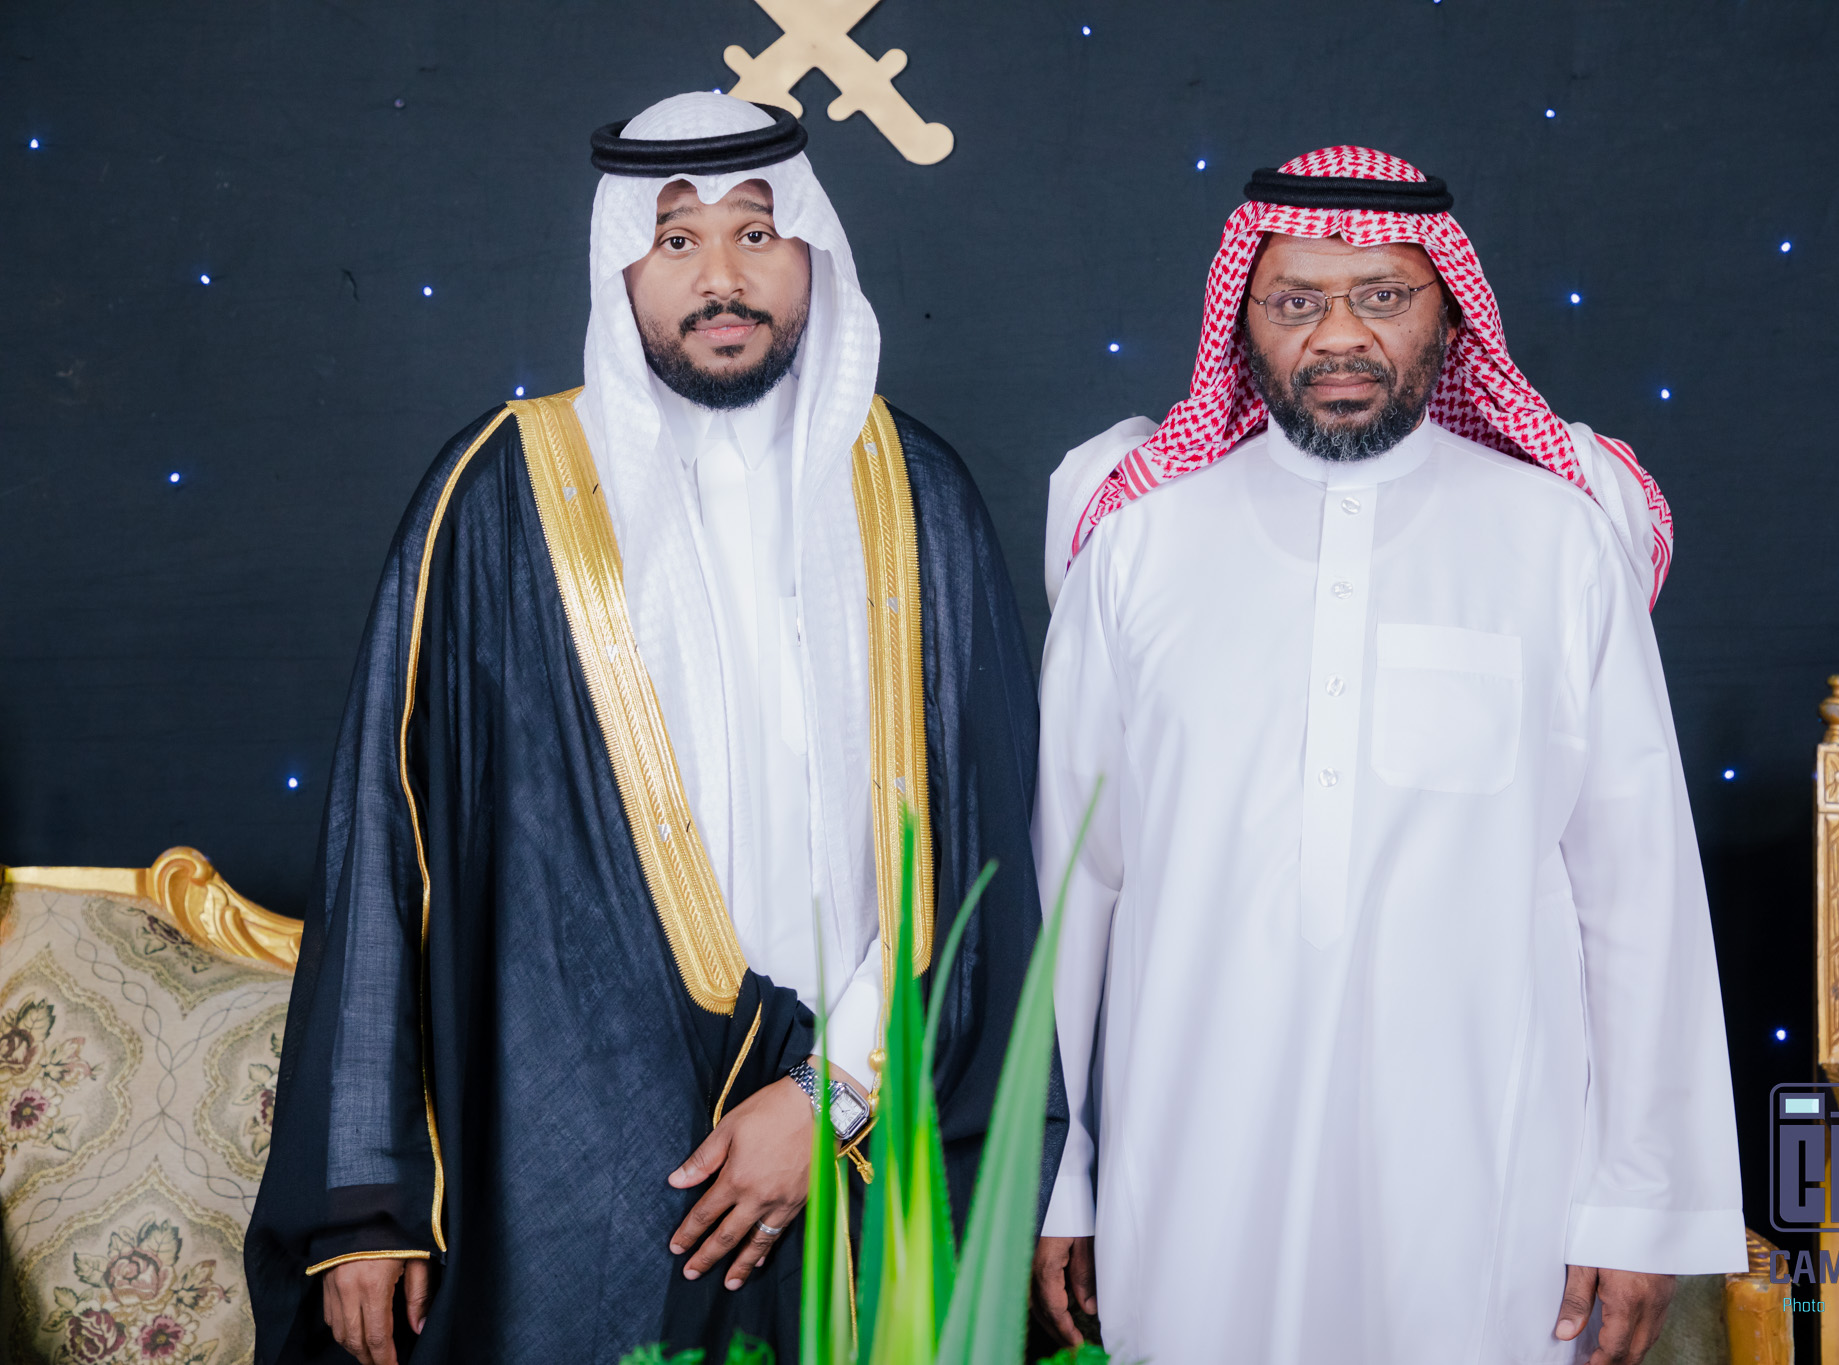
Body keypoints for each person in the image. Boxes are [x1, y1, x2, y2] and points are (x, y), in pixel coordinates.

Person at [247, 93, 1058, 1365]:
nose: (720, 279)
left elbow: (984, 859)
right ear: (620, 263)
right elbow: (385, 848)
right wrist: (366, 1203)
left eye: (756, 234)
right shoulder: (498, 496)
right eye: (677, 240)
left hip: (863, 1127)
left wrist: (828, 1095)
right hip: (570, 1147)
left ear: (814, 253)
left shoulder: (917, 495)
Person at [1029, 146, 1743, 1365]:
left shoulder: (1555, 547)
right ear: (1240, 321)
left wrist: (1638, 1200)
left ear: (1448, 315)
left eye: (1382, 296)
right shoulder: (1139, 549)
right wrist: (1062, 1172)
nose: (1339, 336)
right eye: (1295, 300)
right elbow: (1072, 886)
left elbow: (1638, 896)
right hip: (1190, 1160)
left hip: (1487, 1179)